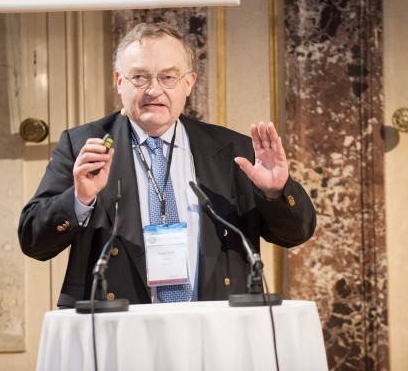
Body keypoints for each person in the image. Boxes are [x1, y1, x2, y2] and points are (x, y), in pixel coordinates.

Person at [18, 22, 316, 308]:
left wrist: (276, 192)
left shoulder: (232, 151)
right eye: (139, 77)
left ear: (189, 83)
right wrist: (80, 199)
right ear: (119, 82)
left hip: (215, 324)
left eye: (168, 77)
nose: (153, 90)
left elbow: (295, 235)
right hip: (118, 325)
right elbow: (33, 242)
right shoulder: (83, 145)